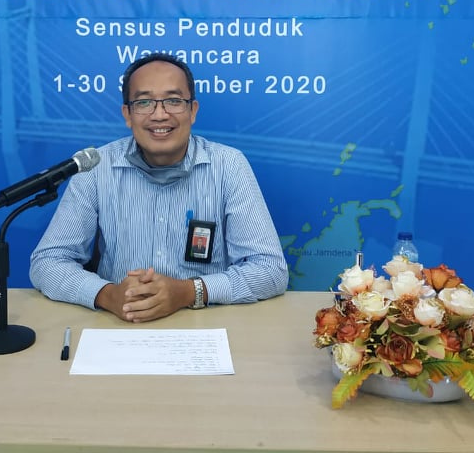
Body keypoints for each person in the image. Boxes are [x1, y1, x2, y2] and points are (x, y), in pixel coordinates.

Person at [29, 52, 288, 322]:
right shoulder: (95, 168)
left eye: (174, 101)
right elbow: (48, 262)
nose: (160, 115)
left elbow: (271, 270)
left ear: (193, 111)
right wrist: (108, 295)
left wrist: (188, 292)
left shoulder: (229, 165)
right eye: (144, 102)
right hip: (120, 323)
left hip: (205, 325)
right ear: (127, 114)